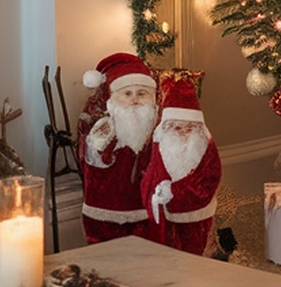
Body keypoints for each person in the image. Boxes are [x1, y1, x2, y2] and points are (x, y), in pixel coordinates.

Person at [77, 52, 158, 244]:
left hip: (148, 213)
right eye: (127, 93)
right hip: (108, 212)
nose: (135, 100)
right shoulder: (104, 128)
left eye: (142, 93)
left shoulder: (158, 127)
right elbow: (92, 161)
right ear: (113, 98)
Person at [141, 72, 221, 255]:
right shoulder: (160, 144)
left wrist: (173, 191)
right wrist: (154, 192)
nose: (184, 133)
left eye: (190, 128)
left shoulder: (205, 148)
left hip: (197, 216)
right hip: (167, 217)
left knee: (194, 258)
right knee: (170, 257)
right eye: (178, 128)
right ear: (167, 127)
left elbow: (207, 181)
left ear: (199, 128)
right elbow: (151, 175)